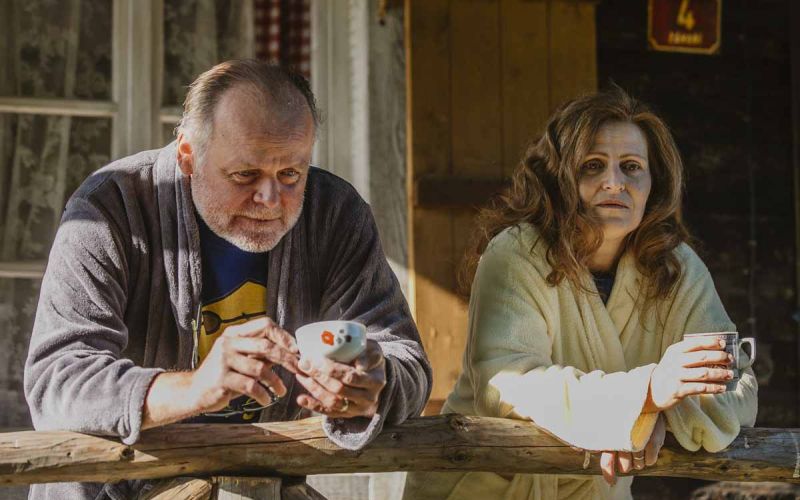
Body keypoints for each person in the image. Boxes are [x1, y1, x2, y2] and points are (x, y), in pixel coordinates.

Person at [24, 59, 432, 499]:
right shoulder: (111, 207)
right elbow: (57, 379)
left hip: (260, 490)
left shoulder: (335, 214)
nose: (269, 199)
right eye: (244, 175)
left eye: (290, 175)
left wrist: (372, 384)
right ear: (187, 155)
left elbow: (407, 359)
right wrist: (196, 387)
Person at [403, 87, 757, 499]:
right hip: (484, 487)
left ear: (653, 184)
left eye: (631, 167)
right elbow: (507, 382)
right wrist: (643, 394)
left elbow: (737, 387)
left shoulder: (675, 268)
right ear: (559, 179)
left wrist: (657, 412)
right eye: (592, 166)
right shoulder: (516, 253)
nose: (614, 182)